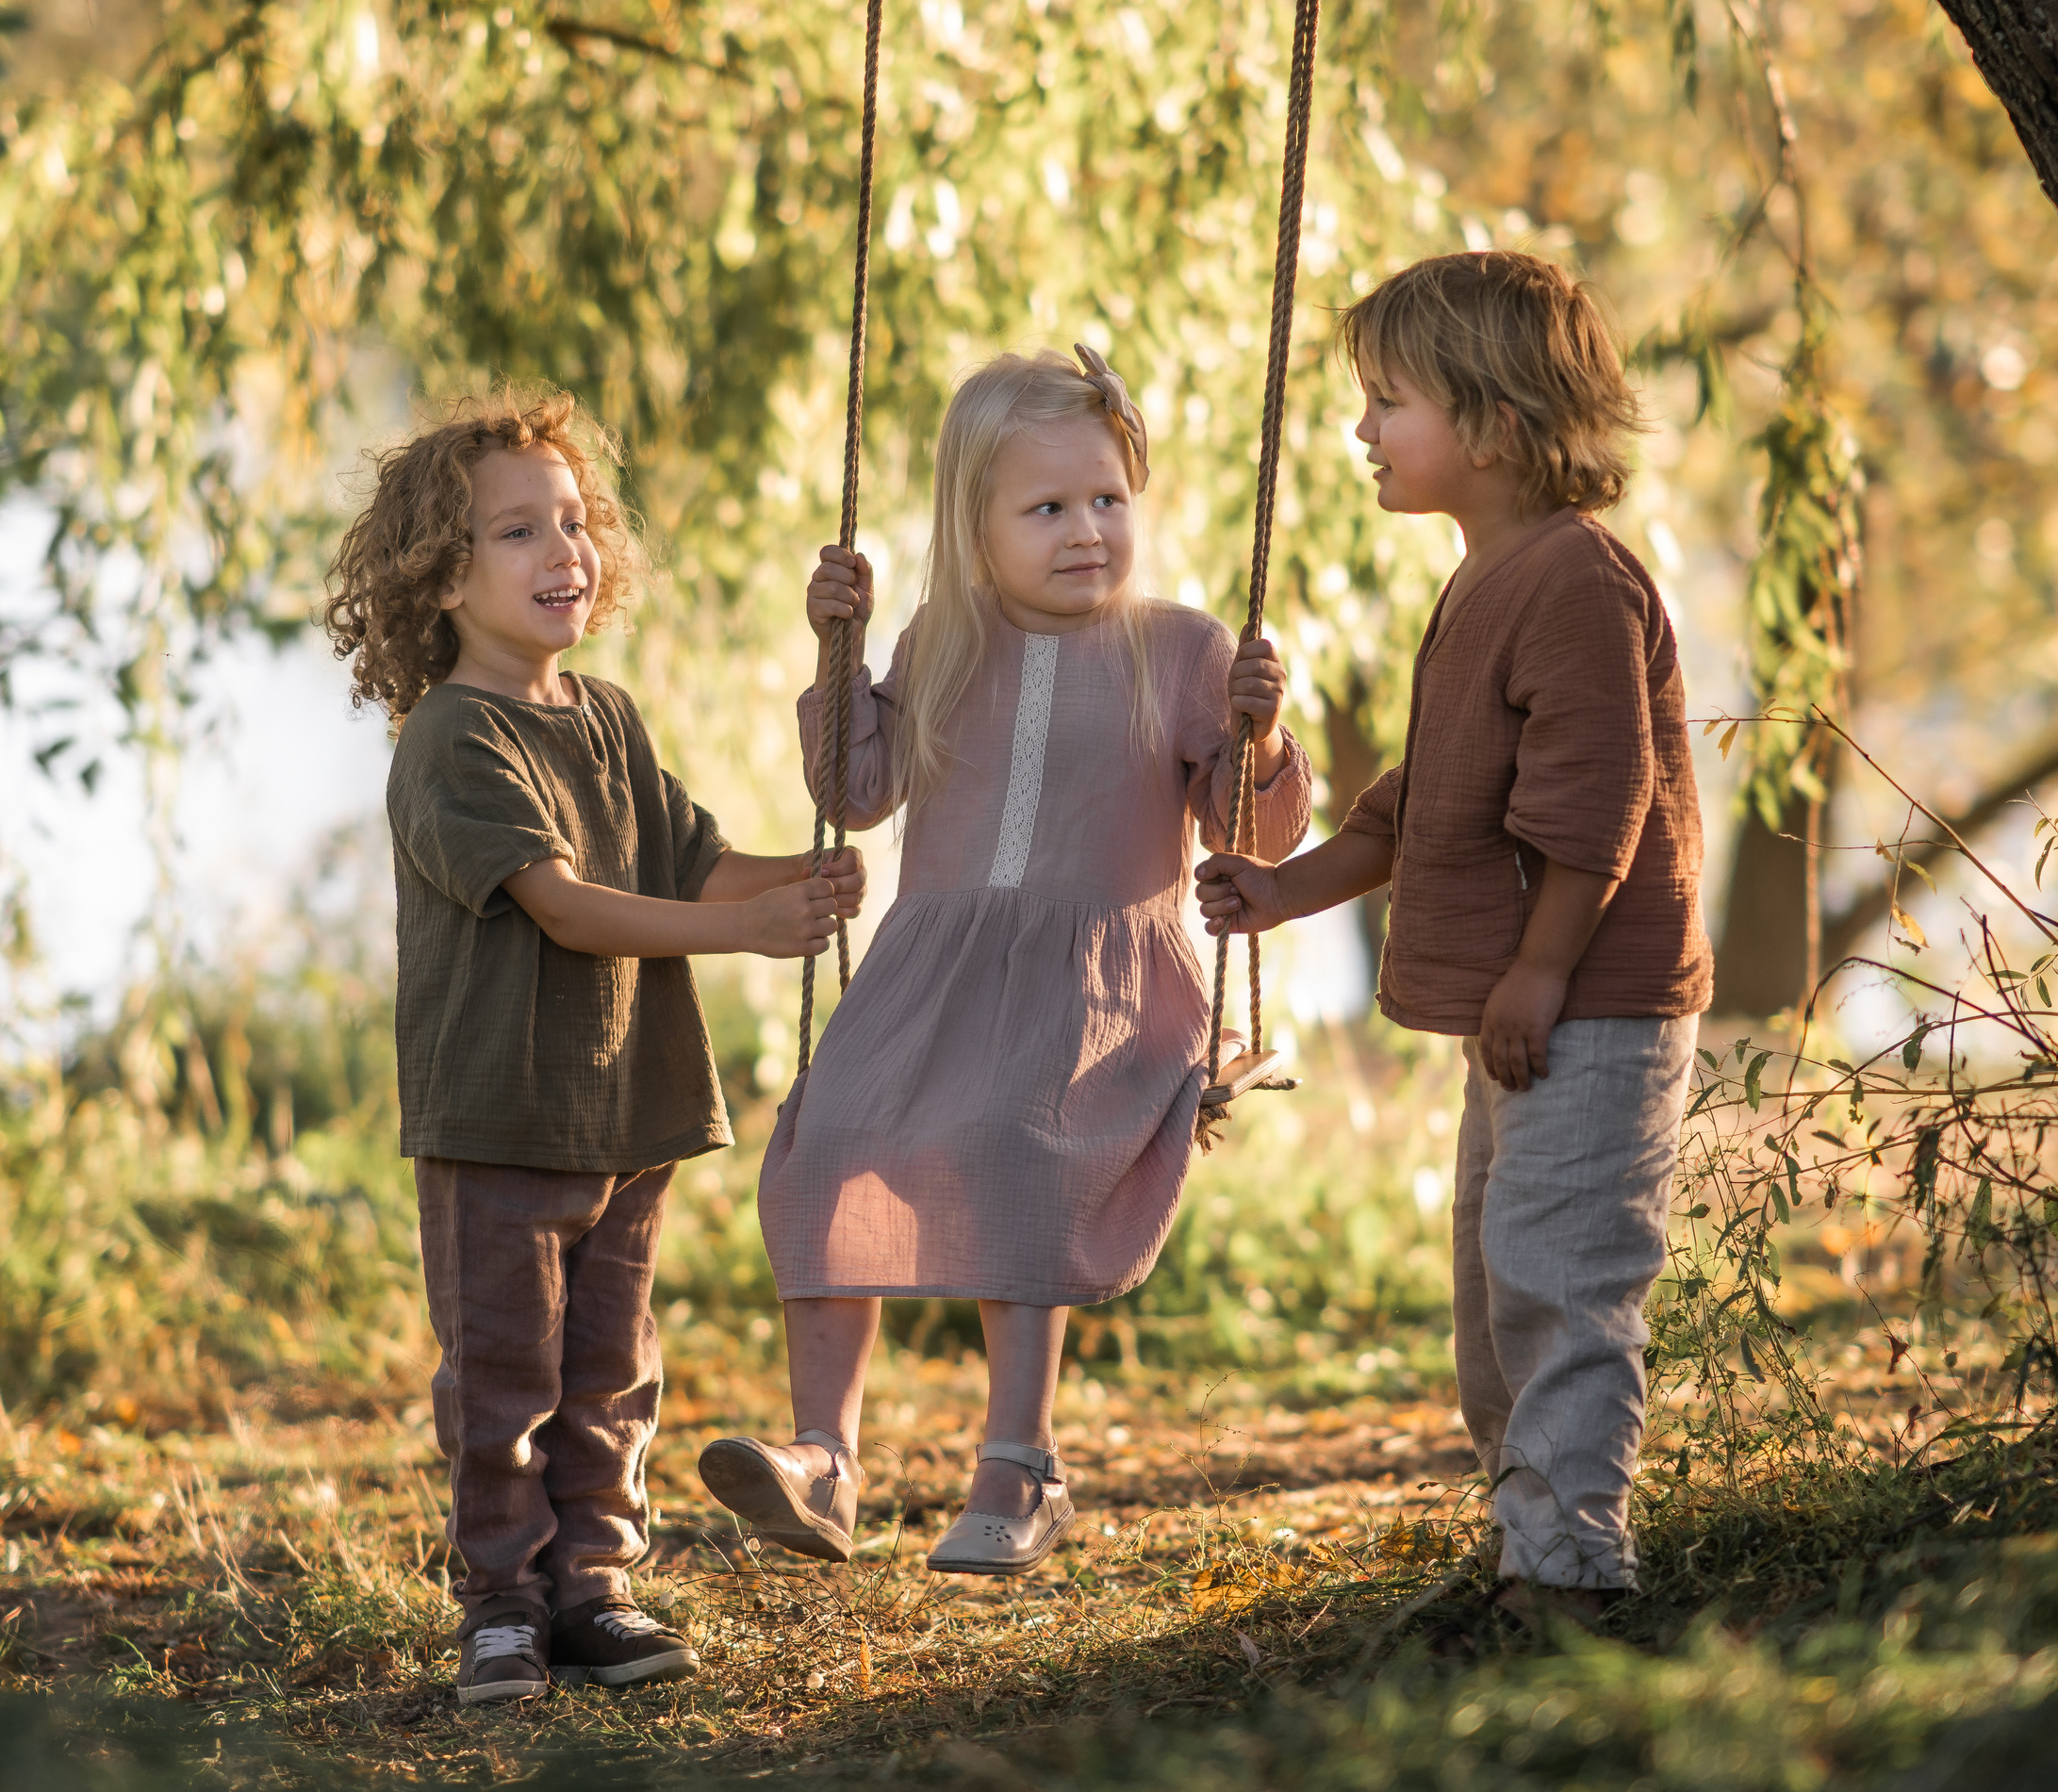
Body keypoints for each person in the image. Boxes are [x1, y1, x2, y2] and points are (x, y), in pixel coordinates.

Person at [698, 348, 1312, 1577]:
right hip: (935, 973)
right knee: (825, 1144)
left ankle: (1018, 1460)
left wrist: (1264, 726)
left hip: (1093, 991)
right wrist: (841, 650)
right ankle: (827, 1457)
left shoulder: (1181, 648)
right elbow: (855, 792)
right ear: (974, 528)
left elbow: (1256, 831)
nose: (1087, 530)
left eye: (1108, 500)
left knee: (1014, 1150)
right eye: (1047, 509)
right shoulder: (941, 639)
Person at [1195, 252, 1713, 1635]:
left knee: (1559, 1282)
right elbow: (1421, 808)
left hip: (1588, 1003)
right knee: (1494, 1292)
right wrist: (1280, 888)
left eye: (1389, 401)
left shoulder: (1574, 580)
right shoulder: (1488, 574)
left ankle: (1573, 1578)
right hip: (1534, 1003)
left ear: (1490, 423)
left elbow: (1599, 800)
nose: (1363, 429)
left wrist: (1541, 968)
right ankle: (1525, 1547)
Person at [325, 387, 865, 1704]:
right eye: (518, 532)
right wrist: (745, 932)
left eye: (573, 521)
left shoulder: (608, 717)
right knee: (507, 1375)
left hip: (628, 1109)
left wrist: (814, 871)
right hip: (500, 1121)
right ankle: (503, 1603)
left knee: (613, 1370)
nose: (562, 549)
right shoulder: (453, 738)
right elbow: (563, 904)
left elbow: (698, 858)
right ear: (441, 578)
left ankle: (594, 1590)